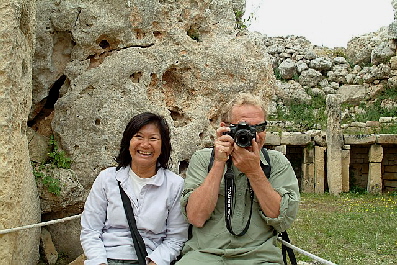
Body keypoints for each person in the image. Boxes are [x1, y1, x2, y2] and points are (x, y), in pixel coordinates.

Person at [176, 93, 300, 264]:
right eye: (244, 127)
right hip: (204, 255)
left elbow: (283, 220)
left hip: (259, 258)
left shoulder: (277, 163)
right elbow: (196, 217)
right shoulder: (204, 160)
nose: (252, 136)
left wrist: (254, 171)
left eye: (259, 128)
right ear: (224, 128)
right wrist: (219, 163)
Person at [81, 112, 189, 265]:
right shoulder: (107, 178)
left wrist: (155, 262)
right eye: (138, 136)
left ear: (163, 145)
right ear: (128, 142)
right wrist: (99, 262)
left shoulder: (175, 185)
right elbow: (91, 230)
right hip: (106, 257)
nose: (145, 145)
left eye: (153, 138)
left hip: (149, 259)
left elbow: (176, 238)